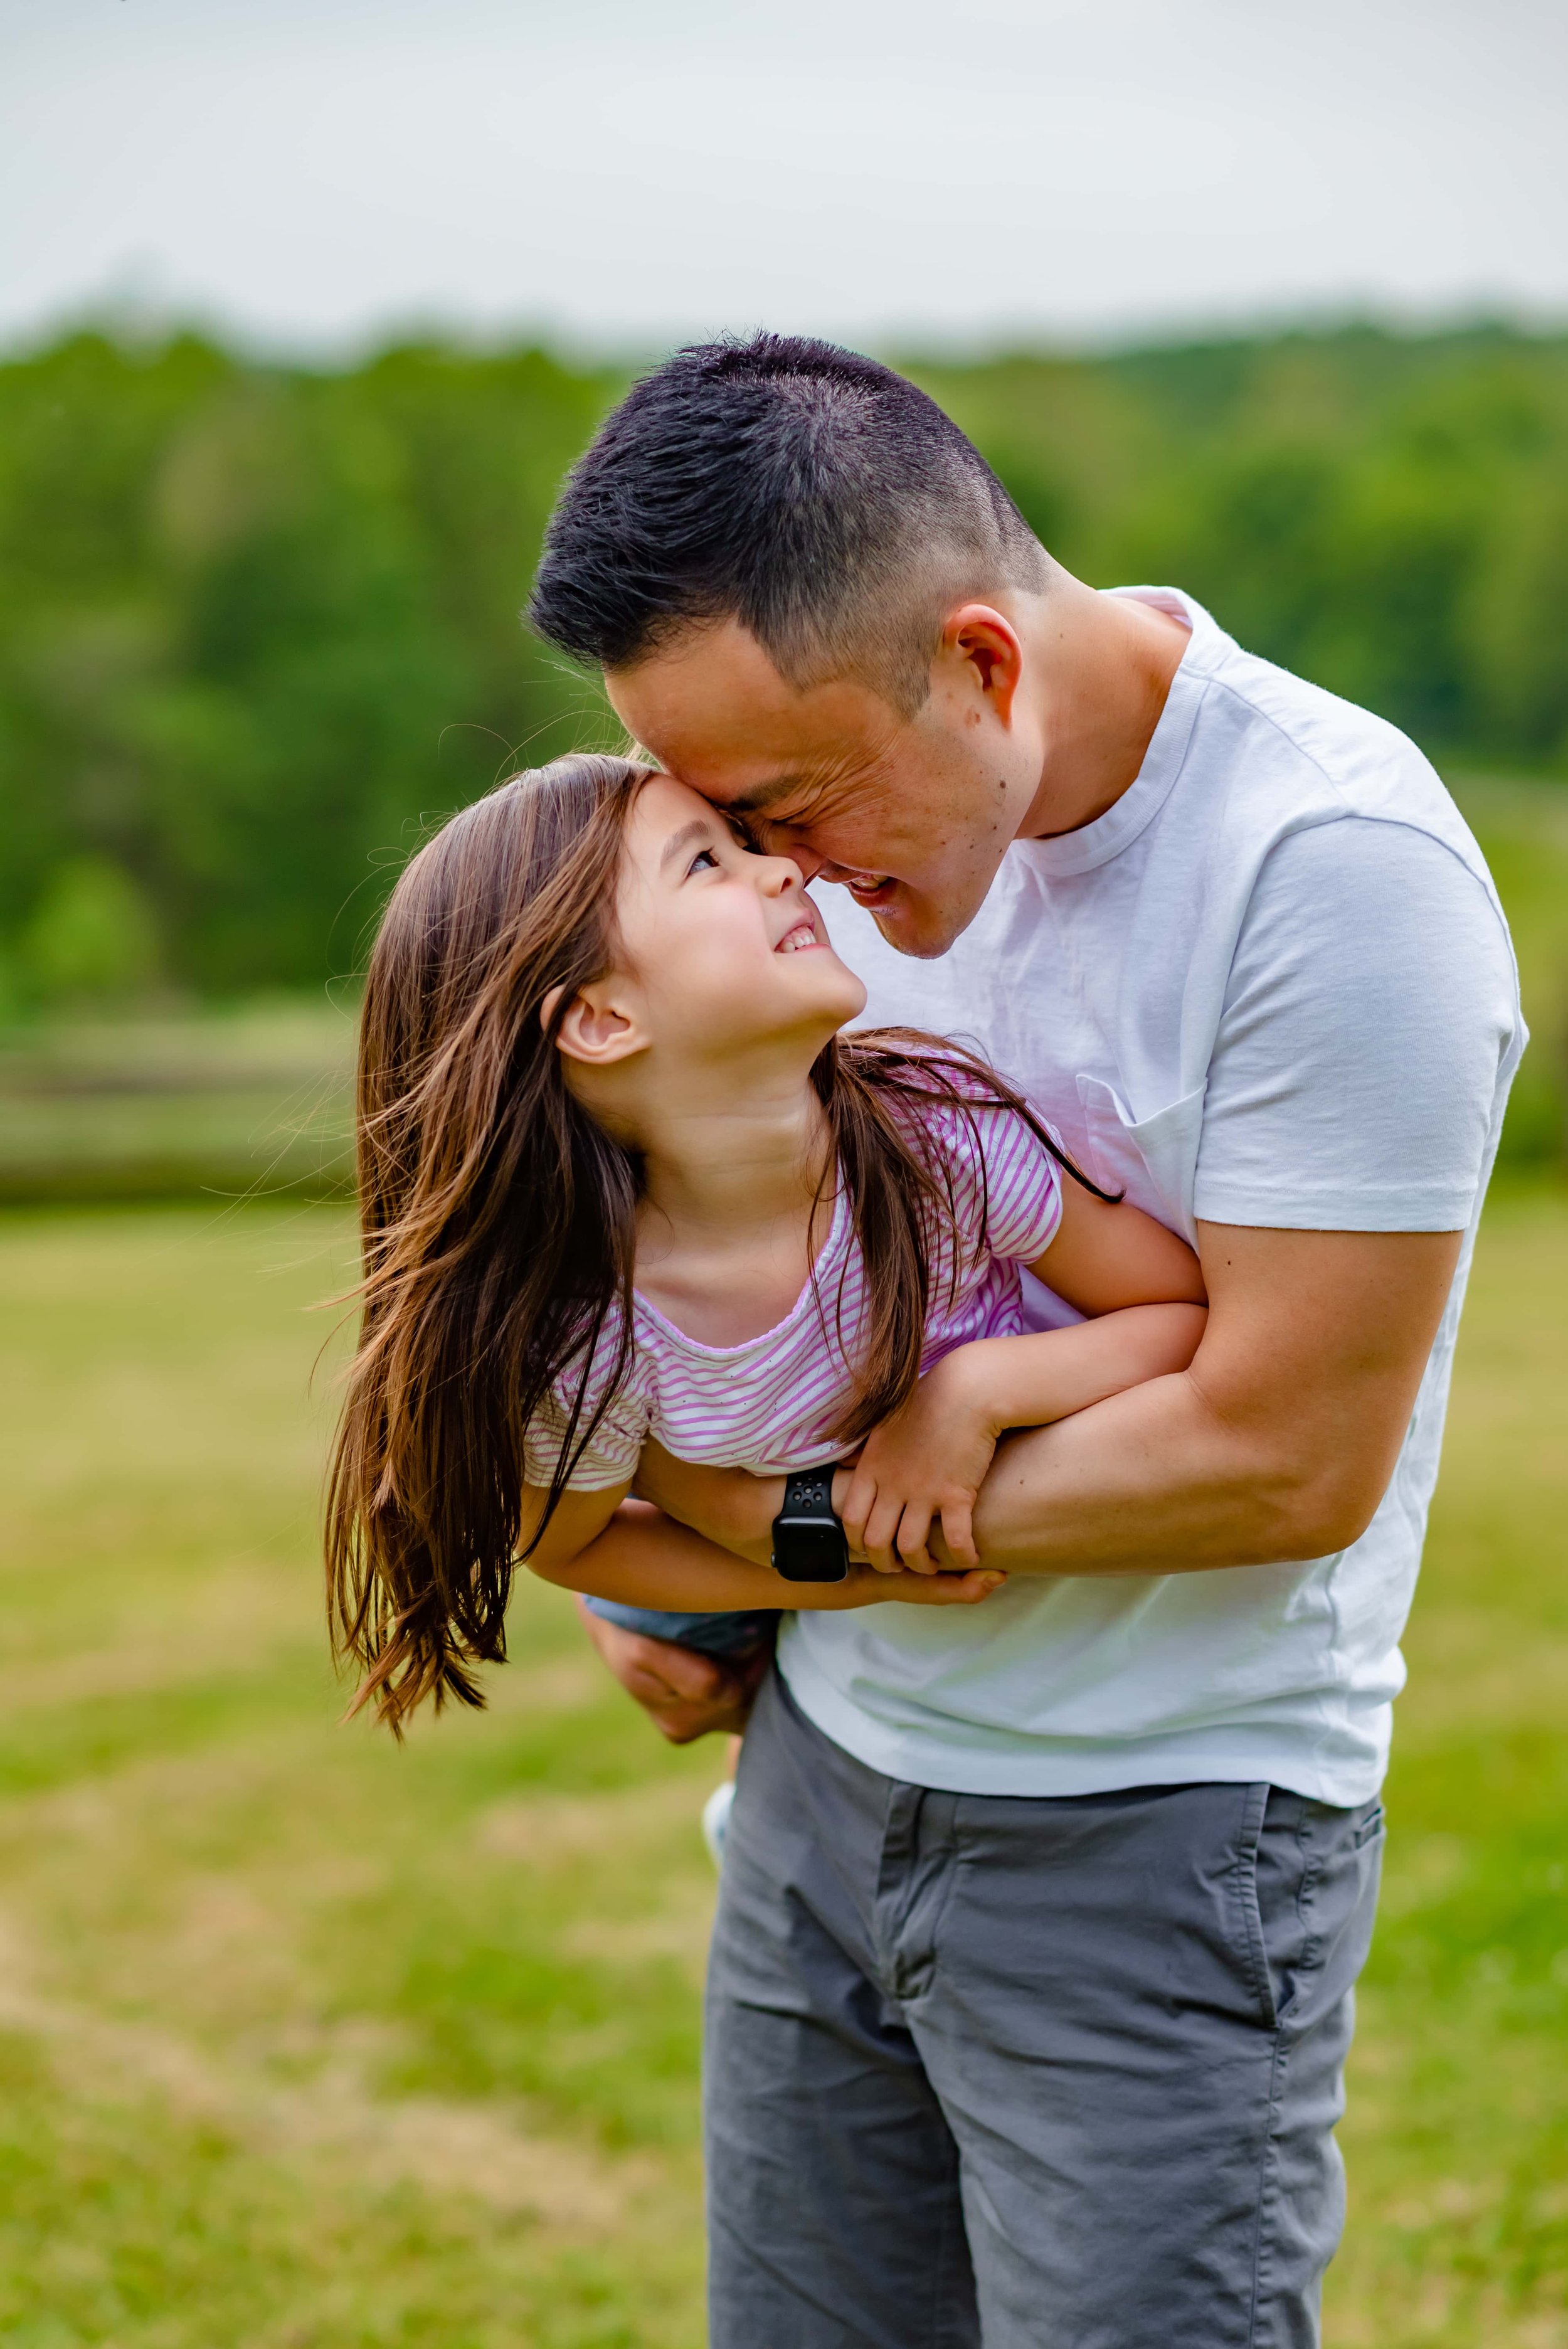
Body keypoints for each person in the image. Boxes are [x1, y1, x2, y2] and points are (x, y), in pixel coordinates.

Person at [526, 334, 1527, 2348]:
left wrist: (755, 1530)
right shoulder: (827, 857)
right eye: (719, 822)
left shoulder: (1334, 874)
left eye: (785, 804)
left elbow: (1277, 1457)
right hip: (828, 1787)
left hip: (1157, 1840)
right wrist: (704, 1582)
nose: (776, 873)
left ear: (981, 664)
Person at [324, 752, 1208, 1739]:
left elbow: (1181, 1313)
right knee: (690, 1664)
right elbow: (574, 1546)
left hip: (1017, 1633)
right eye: (706, 863)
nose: (785, 869)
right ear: (602, 1019)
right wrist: (836, 1581)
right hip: (773, 1589)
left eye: (745, 844)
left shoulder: (938, 1140)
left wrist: (977, 1391)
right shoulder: (588, 1331)